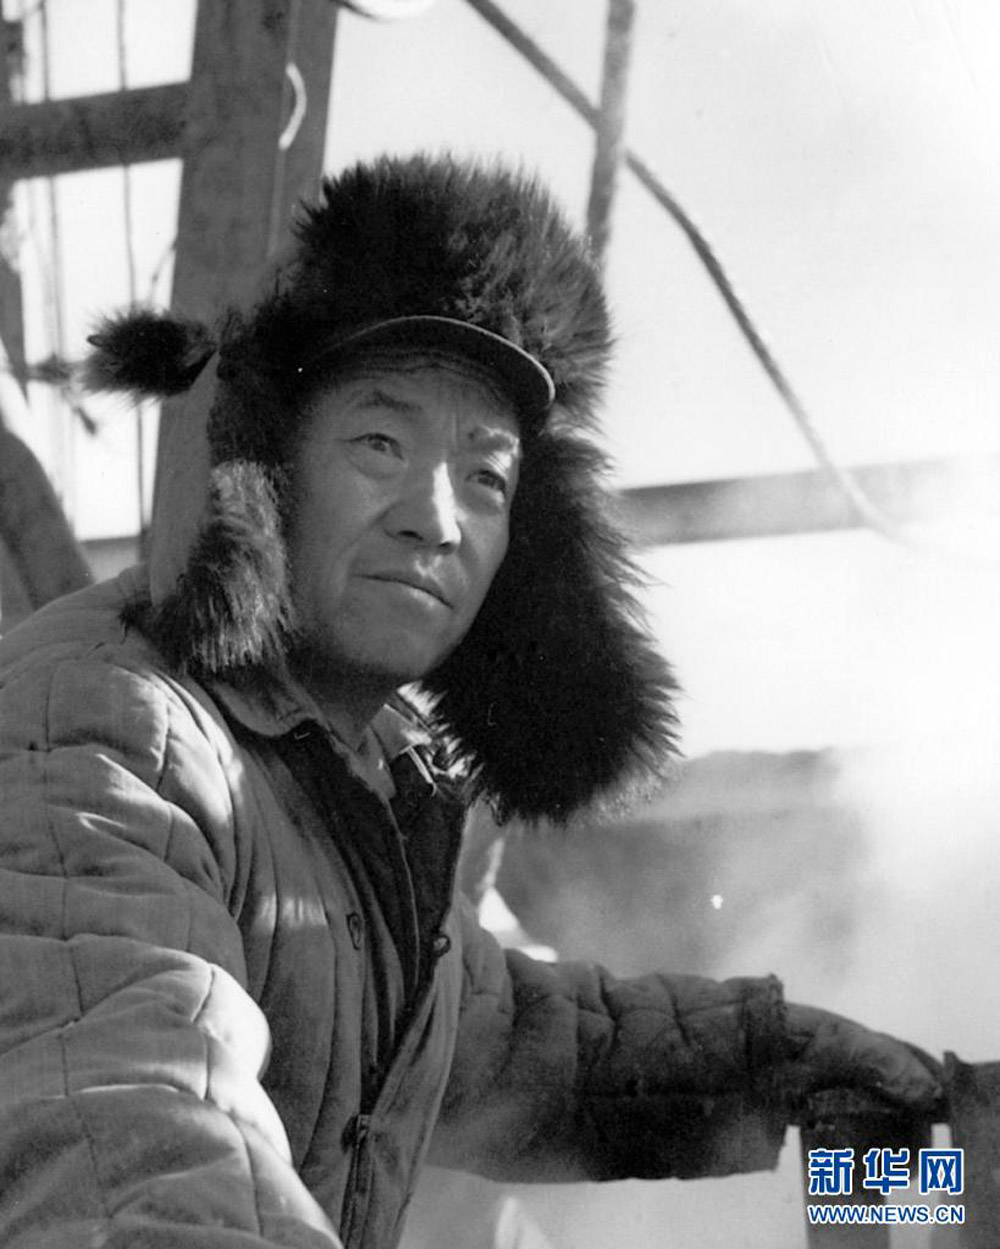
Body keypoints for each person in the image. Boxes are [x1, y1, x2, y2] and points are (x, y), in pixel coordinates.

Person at [0, 154, 939, 1249]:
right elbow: (133, 1133)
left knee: (938, 1165)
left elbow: (497, 1033)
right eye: (380, 443)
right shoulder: (103, 729)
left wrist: (776, 1054)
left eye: (486, 476)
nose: (435, 517)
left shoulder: (358, 771)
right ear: (270, 461)